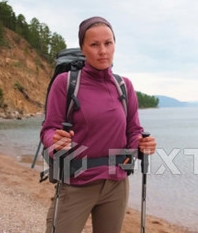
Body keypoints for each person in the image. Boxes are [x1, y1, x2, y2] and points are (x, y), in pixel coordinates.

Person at [40, 16, 156, 233]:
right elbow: (48, 129)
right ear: (83, 49)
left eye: (108, 43)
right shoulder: (65, 83)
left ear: (114, 45)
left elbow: (133, 130)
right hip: (76, 182)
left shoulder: (125, 86)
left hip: (116, 185)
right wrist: (54, 141)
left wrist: (142, 144)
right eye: (94, 45)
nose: (102, 51)